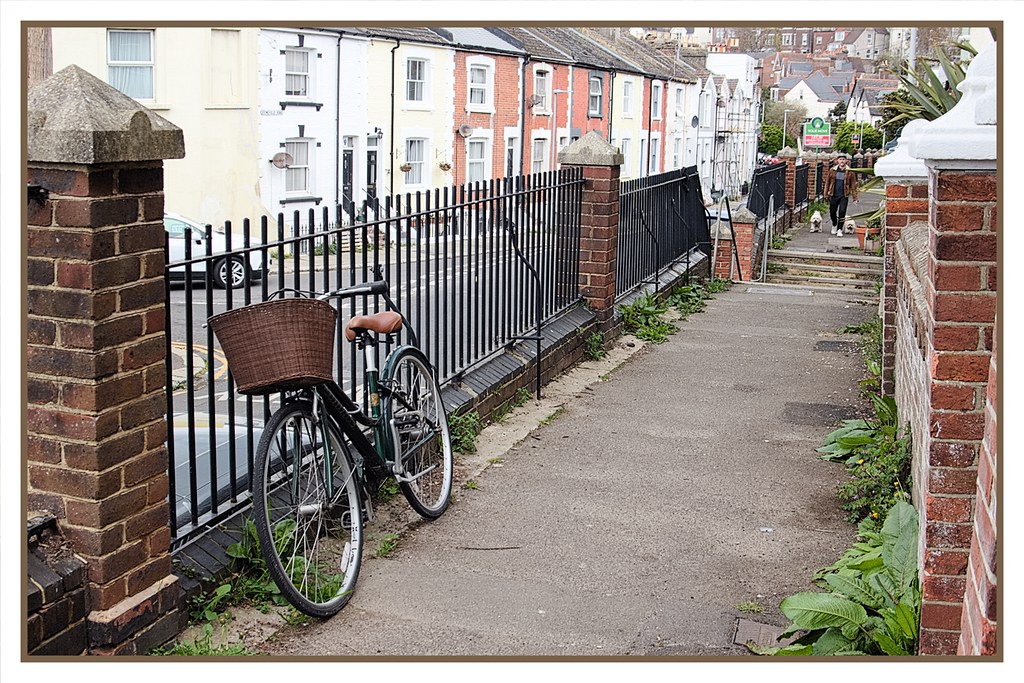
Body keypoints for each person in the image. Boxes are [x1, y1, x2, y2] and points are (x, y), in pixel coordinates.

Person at [823, 153, 859, 236]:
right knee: (832, 212)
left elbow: (853, 185)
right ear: (837, 161)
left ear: (846, 161)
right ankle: (834, 225)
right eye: (840, 159)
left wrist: (855, 198)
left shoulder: (850, 171)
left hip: (844, 195)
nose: (842, 161)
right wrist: (825, 194)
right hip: (833, 194)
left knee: (842, 212)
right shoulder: (832, 170)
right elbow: (827, 183)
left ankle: (839, 229)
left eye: (843, 159)